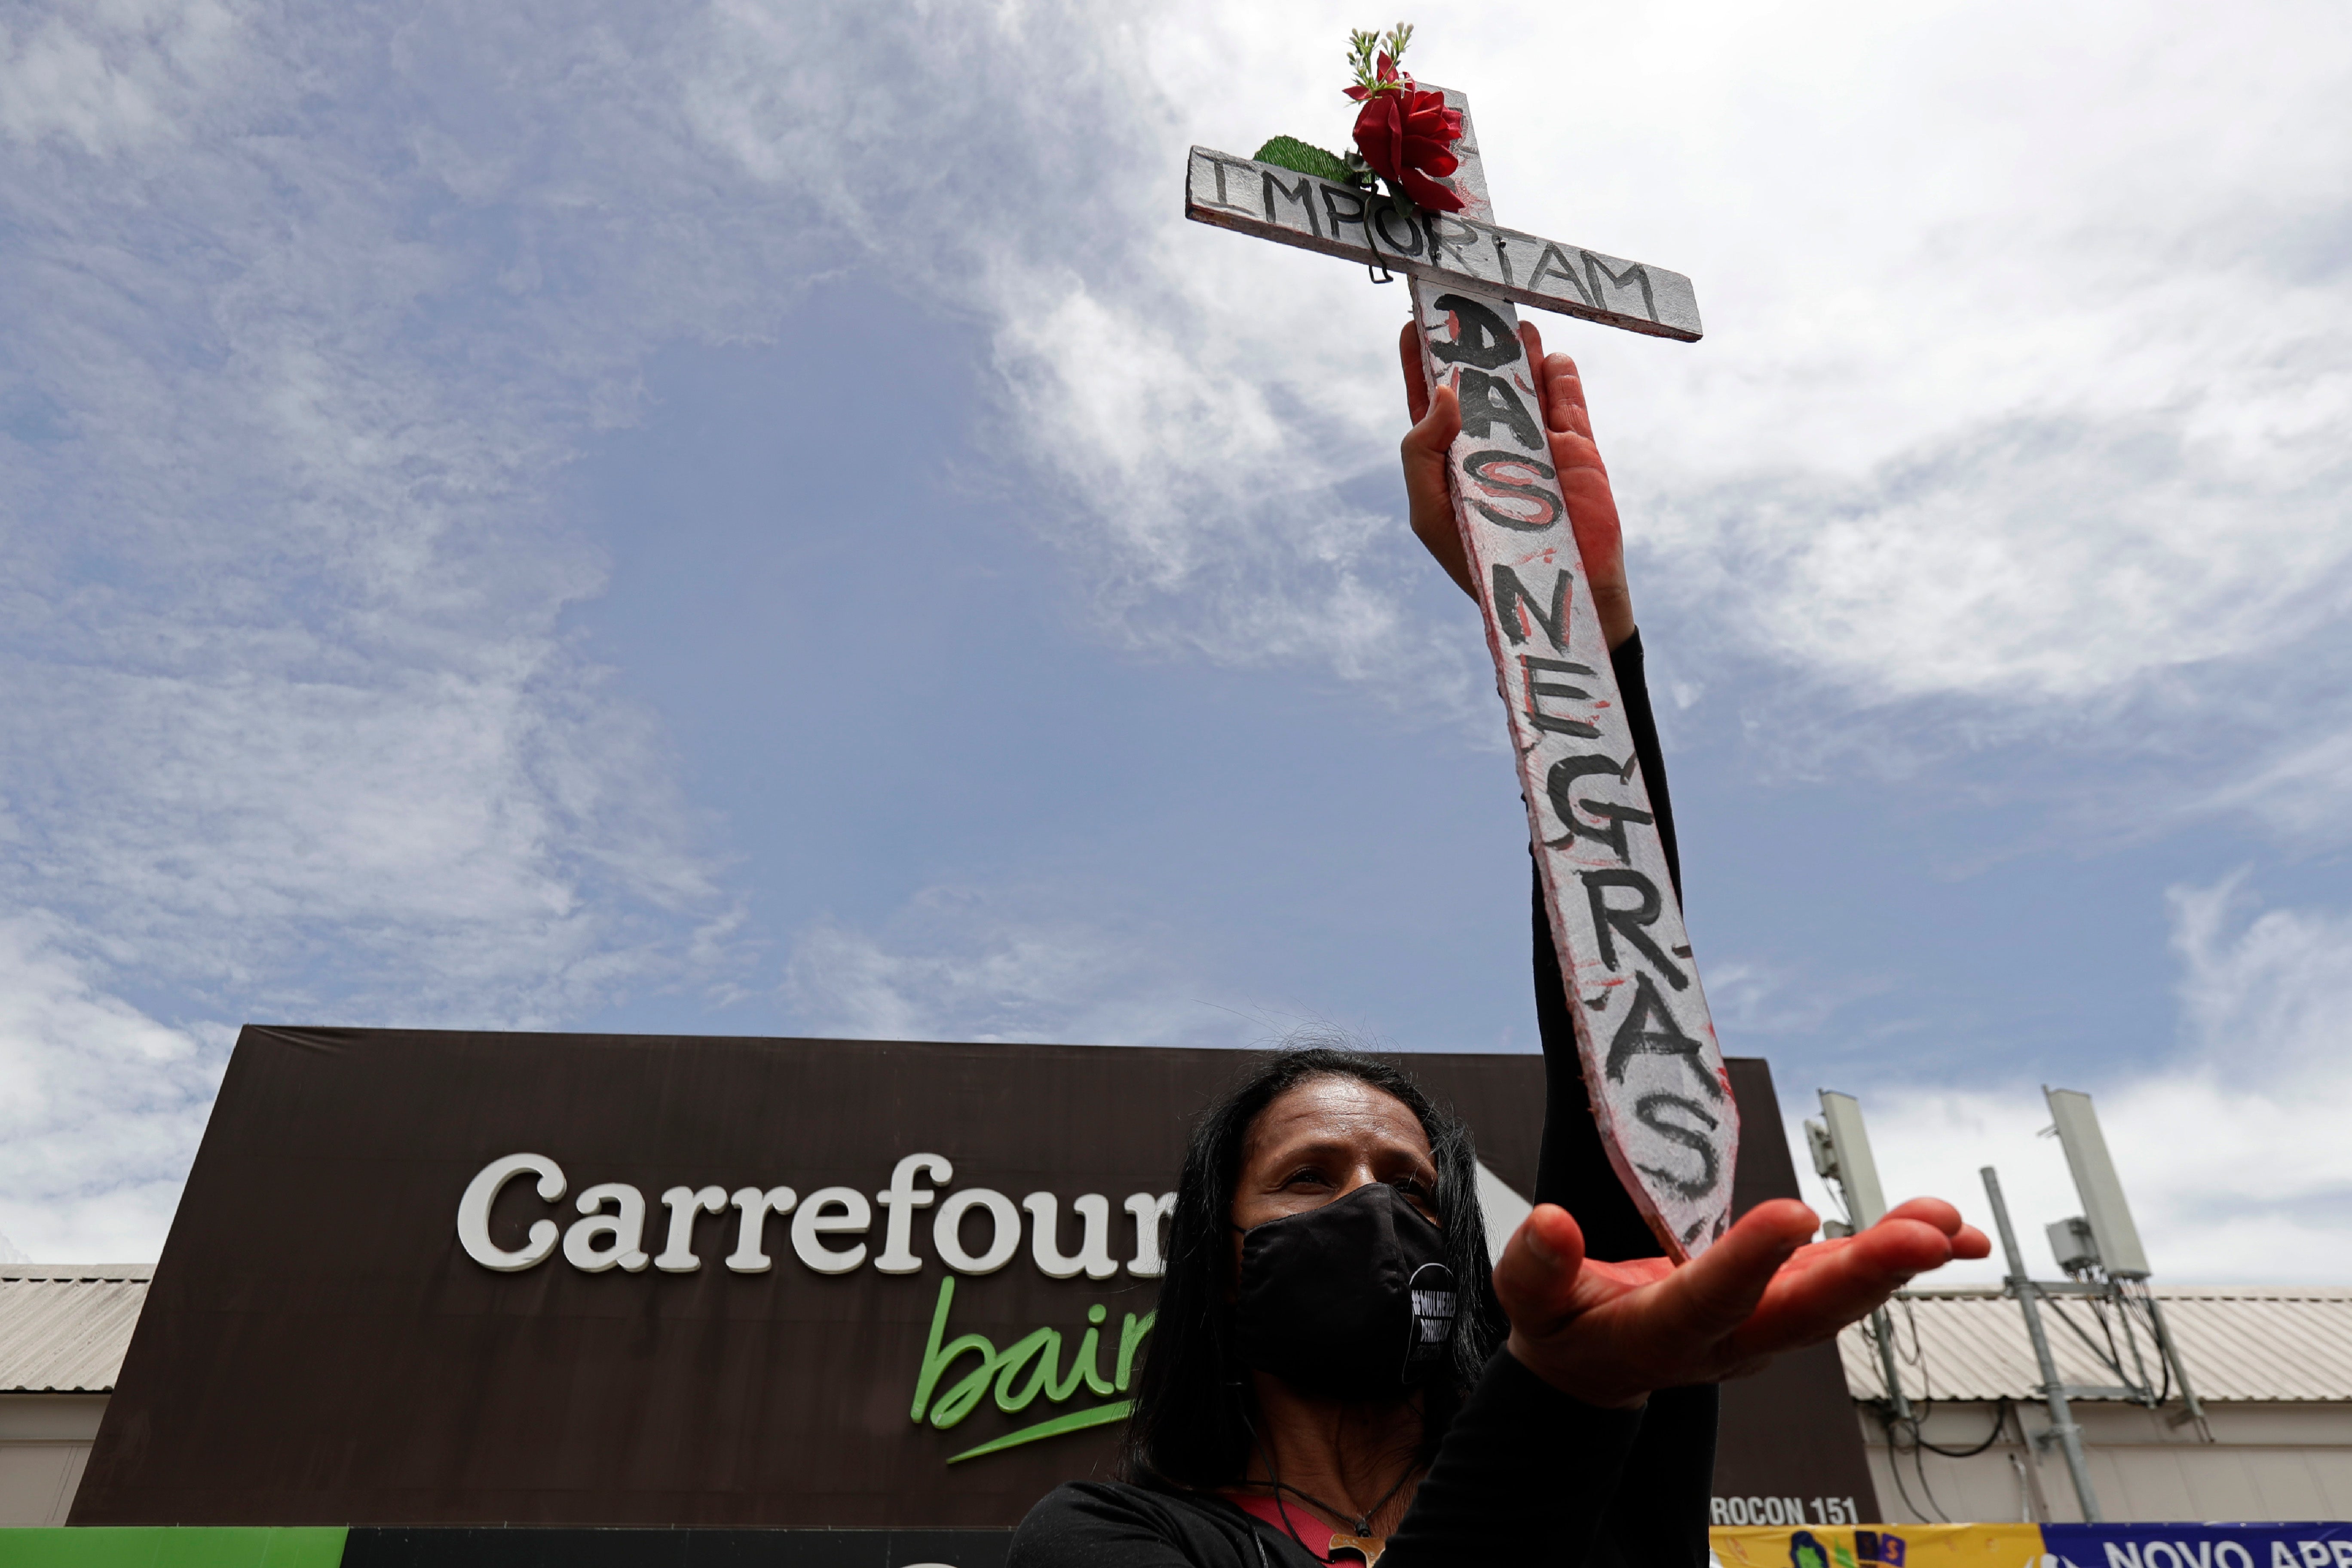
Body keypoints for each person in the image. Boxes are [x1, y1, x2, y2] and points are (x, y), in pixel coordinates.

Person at [1008, 322, 1991, 1567]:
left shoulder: (1613, 1426)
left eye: (1413, 1188)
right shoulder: (1109, 1536)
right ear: (1221, 1261)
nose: (1374, 1210)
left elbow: (1619, 1034)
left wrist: (1574, 636)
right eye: (1312, 1180)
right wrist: (1568, 1396)